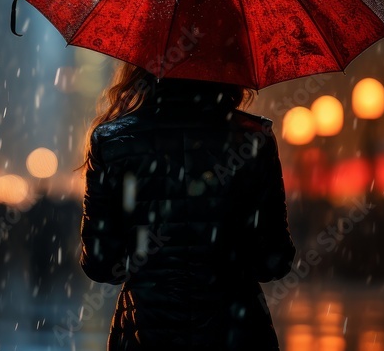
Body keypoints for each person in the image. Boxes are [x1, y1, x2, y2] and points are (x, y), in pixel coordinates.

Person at [79, 63, 295, 349]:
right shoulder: (254, 138)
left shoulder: (112, 141)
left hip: (147, 333)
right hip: (236, 332)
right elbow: (274, 262)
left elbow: (101, 265)